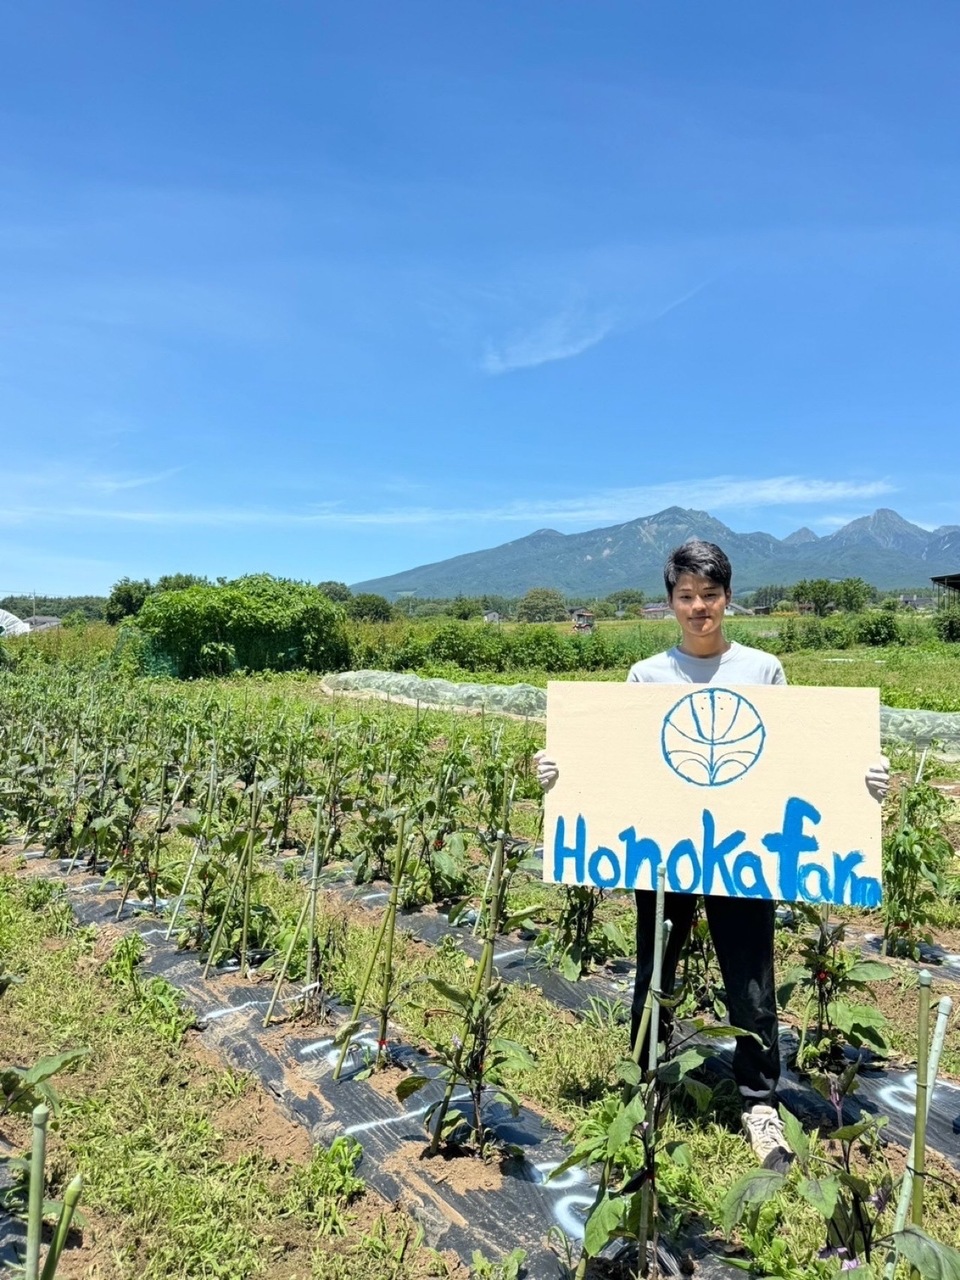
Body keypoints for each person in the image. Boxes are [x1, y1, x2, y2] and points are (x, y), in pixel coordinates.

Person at [535, 540, 890, 1171]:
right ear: (670, 601)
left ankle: (759, 1099)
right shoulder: (648, 676)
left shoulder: (762, 670)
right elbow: (623, 758)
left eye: (710, 595)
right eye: (686, 596)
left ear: (729, 597)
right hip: (666, 852)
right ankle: (649, 1081)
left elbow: (797, 759)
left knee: (751, 975)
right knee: (654, 968)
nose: (699, 608)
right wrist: (563, 770)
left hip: (741, 851)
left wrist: (860, 779)